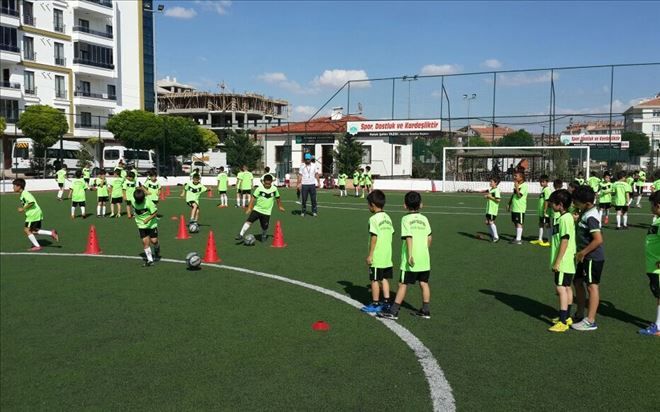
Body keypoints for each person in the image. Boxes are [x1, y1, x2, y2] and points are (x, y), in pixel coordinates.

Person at [378, 191, 433, 320]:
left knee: (402, 284)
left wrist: (410, 255)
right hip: (424, 258)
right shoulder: (425, 219)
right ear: (421, 205)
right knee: (424, 283)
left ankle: (394, 311)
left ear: (405, 205)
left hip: (410, 259)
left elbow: (408, 237)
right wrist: (424, 250)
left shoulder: (405, 219)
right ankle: (425, 310)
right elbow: (429, 237)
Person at [572, 185, 605, 331]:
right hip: (583, 255)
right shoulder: (586, 211)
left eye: (576, 202)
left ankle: (590, 321)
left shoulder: (591, 216)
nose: (574, 204)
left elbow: (598, 239)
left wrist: (583, 252)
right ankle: (579, 313)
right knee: (578, 282)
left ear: (587, 203)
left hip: (592, 256)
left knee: (592, 286)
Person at [547, 189, 577, 333]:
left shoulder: (565, 218)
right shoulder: (565, 217)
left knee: (561, 288)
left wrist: (557, 262)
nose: (551, 205)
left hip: (563, 260)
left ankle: (563, 320)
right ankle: (567, 317)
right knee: (567, 287)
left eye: (552, 203)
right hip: (568, 259)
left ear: (559, 205)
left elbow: (565, 240)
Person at [360, 190, 394, 313]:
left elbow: (374, 237)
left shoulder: (373, 219)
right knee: (384, 279)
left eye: (368, 204)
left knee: (374, 280)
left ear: (373, 204)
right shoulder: (388, 217)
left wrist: (370, 255)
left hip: (377, 255)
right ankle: (386, 302)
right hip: (387, 255)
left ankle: (375, 303)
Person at [235, 174, 285, 242]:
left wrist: (280, 206)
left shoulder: (274, 189)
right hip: (257, 210)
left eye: (269, 184)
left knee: (265, 227)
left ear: (271, 182)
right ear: (263, 182)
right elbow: (253, 198)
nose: (267, 185)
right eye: (266, 183)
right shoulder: (259, 188)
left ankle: (263, 235)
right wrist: (249, 208)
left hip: (267, 212)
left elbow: (278, 198)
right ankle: (240, 234)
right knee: (249, 221)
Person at [13, 178, 59, 251]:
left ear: (19, 186)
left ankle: (37, 246)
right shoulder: (23, 194)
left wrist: (23, 209)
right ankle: (51, 233)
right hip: (35, 213)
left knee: (26, 230)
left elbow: (32, 202)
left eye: (14, 186)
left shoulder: (25, 193)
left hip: (33, 214)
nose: (13, 187)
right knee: (33, 231)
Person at [639, 191, 660, 336]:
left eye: (652, 205)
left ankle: (658, 327)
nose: (651, 208)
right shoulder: (657, 220)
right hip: (653, 266)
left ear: (658, 206)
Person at [132, 188, 160, 267]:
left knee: (154, 241)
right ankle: (150, 260)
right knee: (145, 242)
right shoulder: (133, 201)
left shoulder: (148, 203)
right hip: (141, 225)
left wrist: (147, 219)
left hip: (151, 224)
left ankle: (157, 247)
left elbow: (154, 213)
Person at [507, 171, 528, 244]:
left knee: (519, 223)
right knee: (515, 223)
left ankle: (519, 240)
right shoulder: (517, 185)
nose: (514, 177)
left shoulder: (524, 186)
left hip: (520, 208)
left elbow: (519, 195)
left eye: (516, 176)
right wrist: (509, 203)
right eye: (514, 176)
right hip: (515, 207)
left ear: (521, 178)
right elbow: (514, 195)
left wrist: (516, 187)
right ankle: (517, 237)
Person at [531, 175, 552, 246]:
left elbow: (547, 200)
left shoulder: (547, 189)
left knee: (547, 224)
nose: (541, 183)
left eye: (543, 182)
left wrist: (545, 210)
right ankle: (540, 239)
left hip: (545, 211)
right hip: (541, 211)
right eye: (540, 182)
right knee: (541, 224)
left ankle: (549, 240)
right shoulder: (543, 189)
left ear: (547, 182)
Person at [484, 177, 501, 243]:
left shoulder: (496, 190)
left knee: (491, 222)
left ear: (495, 183)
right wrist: (487, 196)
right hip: (488, 209)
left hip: (492, 210)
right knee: (487, 222)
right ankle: (493, 235)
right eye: (490, 181)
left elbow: (498, 200)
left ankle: (496, 237)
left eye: (491, 182)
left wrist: (489, 197)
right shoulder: (491, 190)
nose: (490, 183)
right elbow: (490, 197)